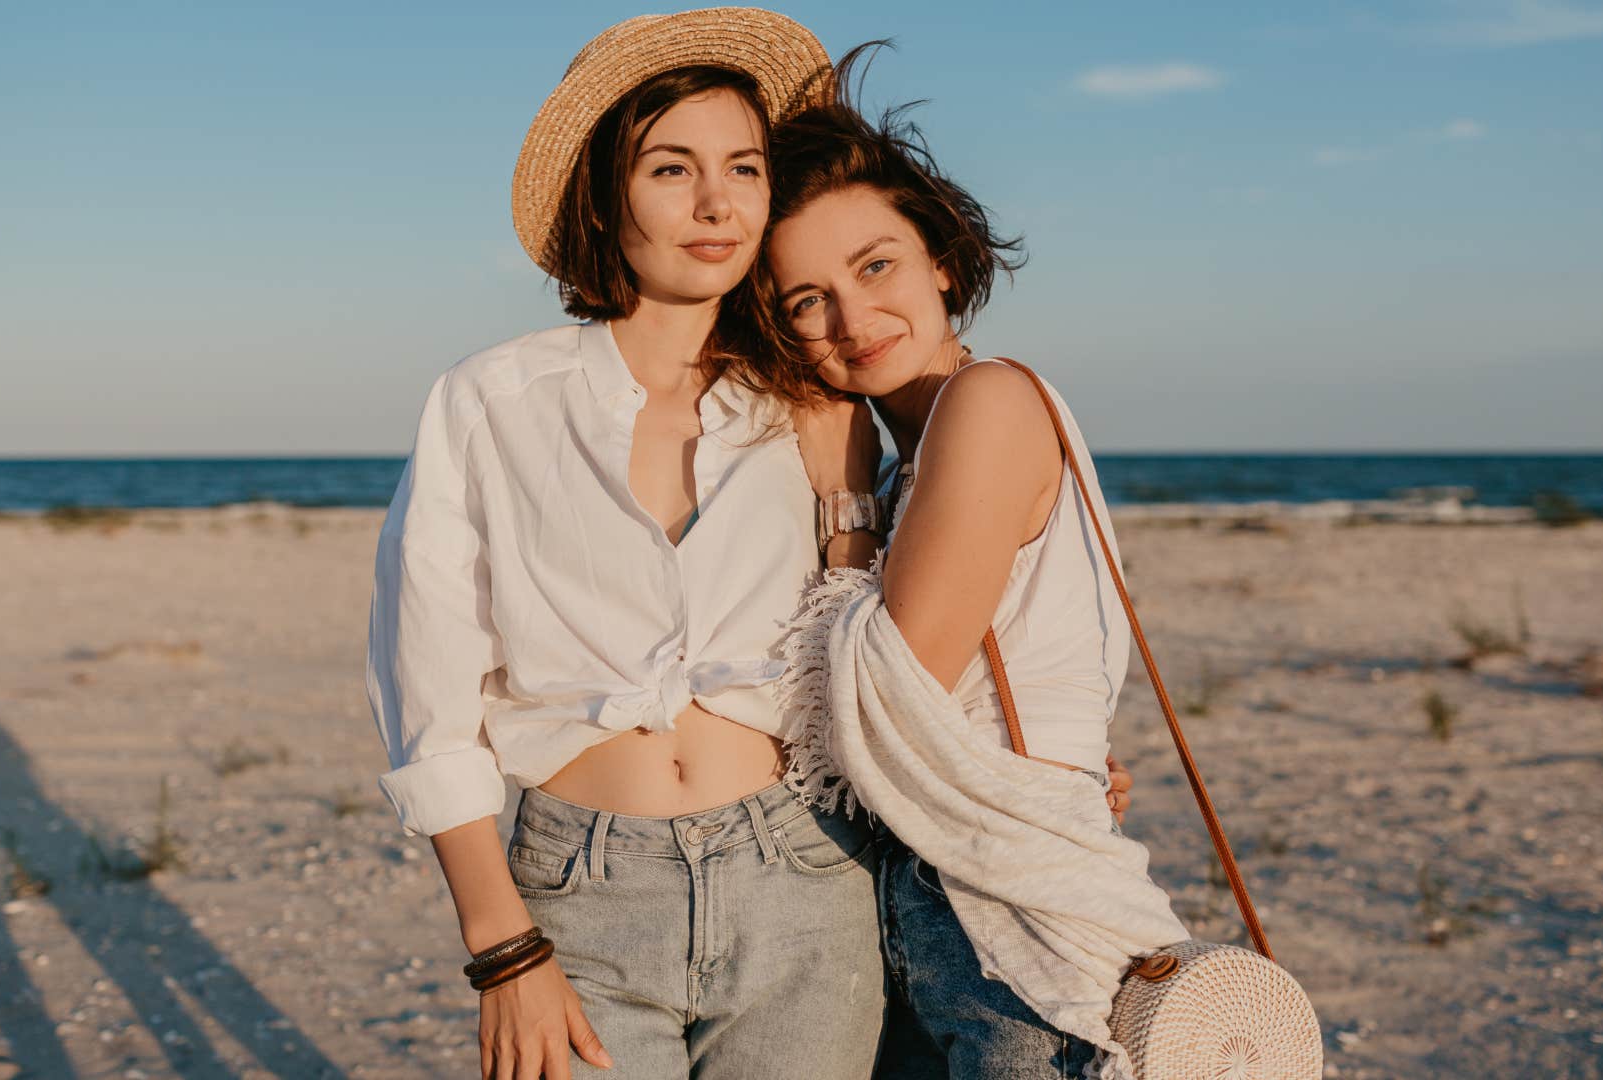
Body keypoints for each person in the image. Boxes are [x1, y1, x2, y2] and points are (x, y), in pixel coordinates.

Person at [365, 11, 892, 1079]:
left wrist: (846, 494)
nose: (717, 202)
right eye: (671, 168)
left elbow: (864, 656)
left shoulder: (812, 401)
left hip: (802, 877)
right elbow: (428, 688)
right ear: (608, 199)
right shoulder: (492, 402)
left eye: (742, 167)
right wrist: (502, 948)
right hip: (580, 893)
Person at [748, 48, 1189, 1079]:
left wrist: (844, 497)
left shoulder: (987, 404)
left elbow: (894, 689)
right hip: (962, 907)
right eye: (807, 299)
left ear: (941, 258)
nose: (852, 320)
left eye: (875, 266)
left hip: (1021, 937)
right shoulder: (926, 451)